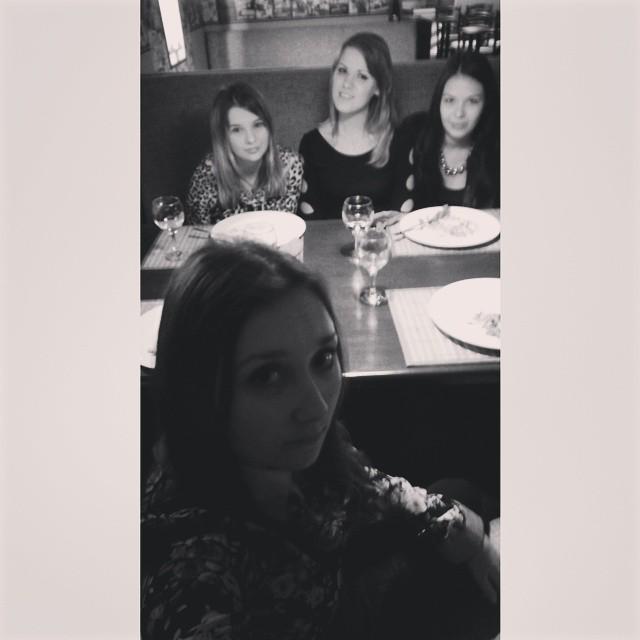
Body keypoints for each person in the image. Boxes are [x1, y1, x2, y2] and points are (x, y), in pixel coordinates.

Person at [141, 241, 500, 640]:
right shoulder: (190, 563)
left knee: (459, 492)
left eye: (323, 358)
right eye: (267, 376)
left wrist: (466, 532)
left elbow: (363, 487)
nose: (317, 406)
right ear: (197, 392)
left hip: (344, 597)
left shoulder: (290, 457)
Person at [298, 33, 398, 219]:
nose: (347, 83)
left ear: (378, 88)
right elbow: (310, 224)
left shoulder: (399, 140)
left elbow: (404, 219)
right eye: (342, 70)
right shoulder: (311, 144)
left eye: (362, 76)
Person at [391, 51, 500, 212]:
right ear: (439, 100)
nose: (459, 113)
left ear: (486, 105)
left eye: (472, 101)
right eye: (450, 100)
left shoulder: (499, 151)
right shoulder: (413, 133)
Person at [185, 82, 303, 224]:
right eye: (237, 130)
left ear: (269, 127)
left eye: (257, 125)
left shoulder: (290, 164)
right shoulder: (206, 176)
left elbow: (288, 227)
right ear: (223, 137)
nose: (251, 139)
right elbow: (196, 233)